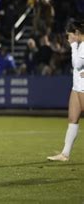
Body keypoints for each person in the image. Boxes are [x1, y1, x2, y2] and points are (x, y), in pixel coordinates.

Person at [47, 21, 84, 161]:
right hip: (77, 85)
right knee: (72, 119)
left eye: (71, 34)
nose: (69, 37)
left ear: (77, 33)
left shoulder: (82, 45)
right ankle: (65, 154)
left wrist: (73, 45)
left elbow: (77, 64)